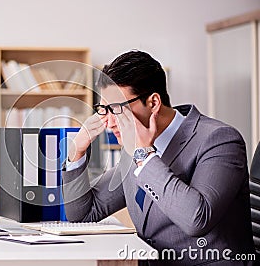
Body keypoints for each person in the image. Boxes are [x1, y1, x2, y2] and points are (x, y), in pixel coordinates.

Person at [62, 50, 256, 265]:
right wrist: (77, 151)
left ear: (153, 103)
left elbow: (197, 219)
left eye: (117, 109)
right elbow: (84, 213)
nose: (109, 122)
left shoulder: (219, 140)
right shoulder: (133, 148)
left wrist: (144, 155)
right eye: (104, 109)